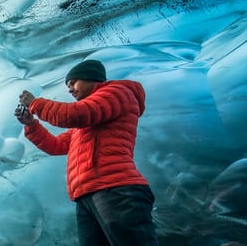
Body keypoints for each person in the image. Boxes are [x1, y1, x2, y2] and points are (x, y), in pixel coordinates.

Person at [14, 59, 159, 246]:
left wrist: (35, 103)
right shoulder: (88, 122)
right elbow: (56, 145)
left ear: (92, 78)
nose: (70, 89)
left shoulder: (117, 93)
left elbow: (74, 115)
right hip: (88, 195)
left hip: (116, 189)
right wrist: (31, 125)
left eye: (73, 82)